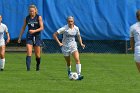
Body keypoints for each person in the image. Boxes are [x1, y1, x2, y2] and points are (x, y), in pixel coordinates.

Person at [18, 5, 44, 71]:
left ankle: (37, 66)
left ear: (35, 11)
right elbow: (23, 27)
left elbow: (42, 27)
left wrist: (34, 31)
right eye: (30, 11)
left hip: (37, 36)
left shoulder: (38, 17)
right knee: (29, 51)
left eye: (32, 11)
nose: (31, 12)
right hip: (29, 36)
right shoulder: (27, 18)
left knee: (37, 55)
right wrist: (20, 37)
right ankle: (28, 69)